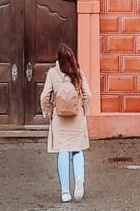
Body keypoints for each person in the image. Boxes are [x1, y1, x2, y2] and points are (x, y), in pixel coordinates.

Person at [40, 43, 92, 203]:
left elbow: (44, 96)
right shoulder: (78, 72)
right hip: (77, 117)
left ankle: (65, 192)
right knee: (77, 150)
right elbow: (88, 95)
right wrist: (85, 111)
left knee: (62, 151)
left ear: (58, 59)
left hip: (59, 118)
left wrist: (47, 111)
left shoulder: (53, 73)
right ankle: (78, 178)